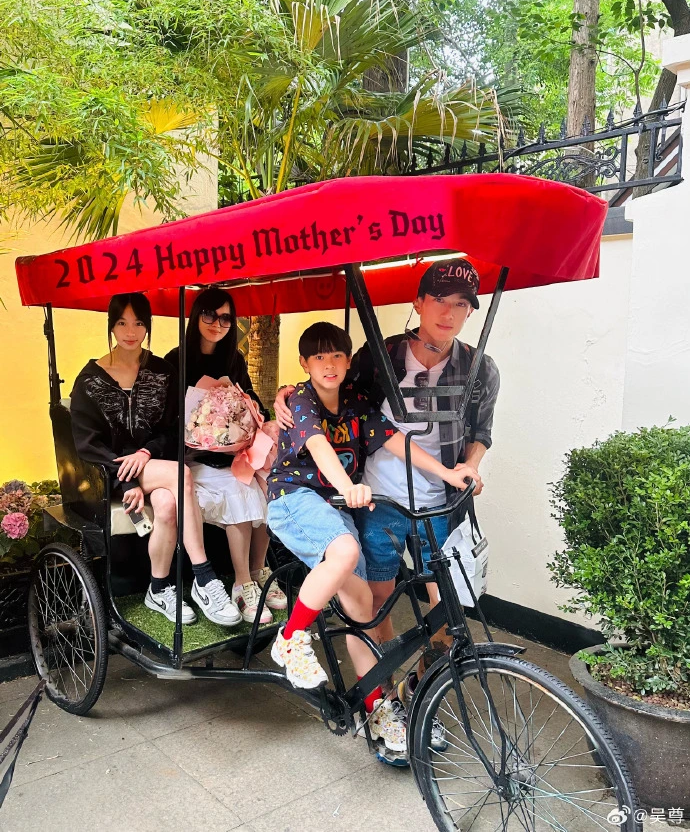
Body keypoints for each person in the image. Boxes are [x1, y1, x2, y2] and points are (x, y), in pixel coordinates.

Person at [275, 259, 500, 700]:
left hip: (440, 502)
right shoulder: (381, 357)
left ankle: (424, 691)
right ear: (418, 303)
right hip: (377, 499)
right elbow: (328, 397)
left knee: (446, 604)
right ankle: (385, 693)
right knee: (376, 600)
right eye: (439, 299)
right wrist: (288, 394)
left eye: (460, 304)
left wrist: (465, 468)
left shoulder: (480, 368)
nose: (448, 312)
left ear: (471, 311)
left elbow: (478, 432)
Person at [267, 321, 475, 757]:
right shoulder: (301, 400)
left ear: (348, 360)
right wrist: (347, 486)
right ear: (304, 363)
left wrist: (447, 473)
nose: (329, 364)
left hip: (337, 508)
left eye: (337, 355)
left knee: (363, 608)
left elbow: (396, 440)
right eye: (319, 357)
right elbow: (319, 446)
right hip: (295, 498)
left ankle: (375, 707)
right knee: (345, 551)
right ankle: (290, 637)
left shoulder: (356, 401)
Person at [70, 292, 241, 627]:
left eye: (138, 323)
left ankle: (158, 588)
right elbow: (87, 445)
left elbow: (173, 430)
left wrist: (147, 451)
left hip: (155, 464)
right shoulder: (89, 381)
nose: (130, 332)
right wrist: (127, 480)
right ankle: (204, 577)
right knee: (182, 475)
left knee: (166, 504)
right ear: (111, 326)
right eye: (122, 323)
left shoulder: (163, 371)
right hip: (111, 473)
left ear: (147, 326)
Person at [165, 287, 286, 625]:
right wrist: (202, 428)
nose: (217, 324)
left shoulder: (234, 359)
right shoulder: (175, 361)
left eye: (225, 318)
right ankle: (242, 584)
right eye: (209, 314)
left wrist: (252, 416)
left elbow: (250, 400)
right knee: (240, 489)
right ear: (196, 316)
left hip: (232, 453)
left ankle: (258, 569)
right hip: (192, 456)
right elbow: (168, 417)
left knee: (269, 481)